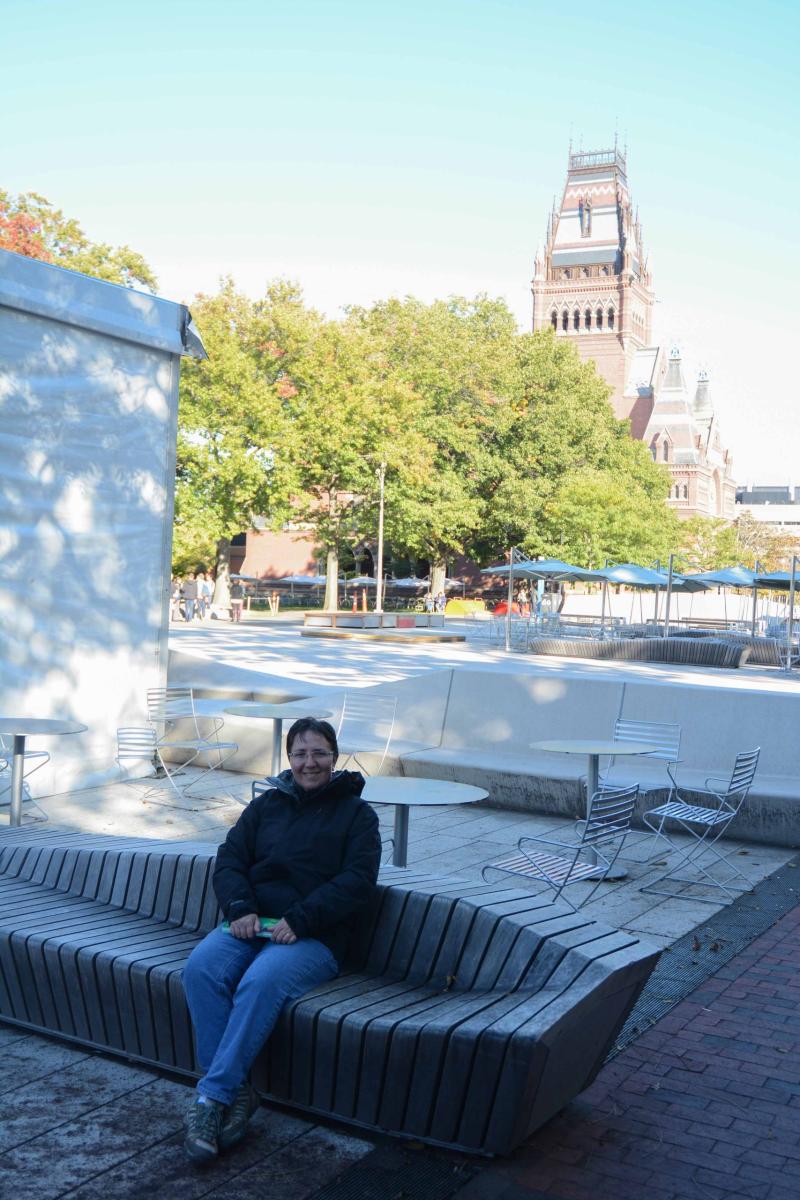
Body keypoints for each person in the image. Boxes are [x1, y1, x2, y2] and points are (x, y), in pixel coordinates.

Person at [182, 717, 381, 1165]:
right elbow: (230, 858)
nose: (310, 763)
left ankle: (211, 1099)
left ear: (335, 756)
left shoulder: (358, 816)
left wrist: (302, 918)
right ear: (288, 758)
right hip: (252, 923)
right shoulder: (265, 806)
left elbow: (357, 881)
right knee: (201, 969)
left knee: (260, 981)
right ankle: (237, 1093)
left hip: (315, 934)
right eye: (300, 753)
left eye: (319, 753)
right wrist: (240, 907)